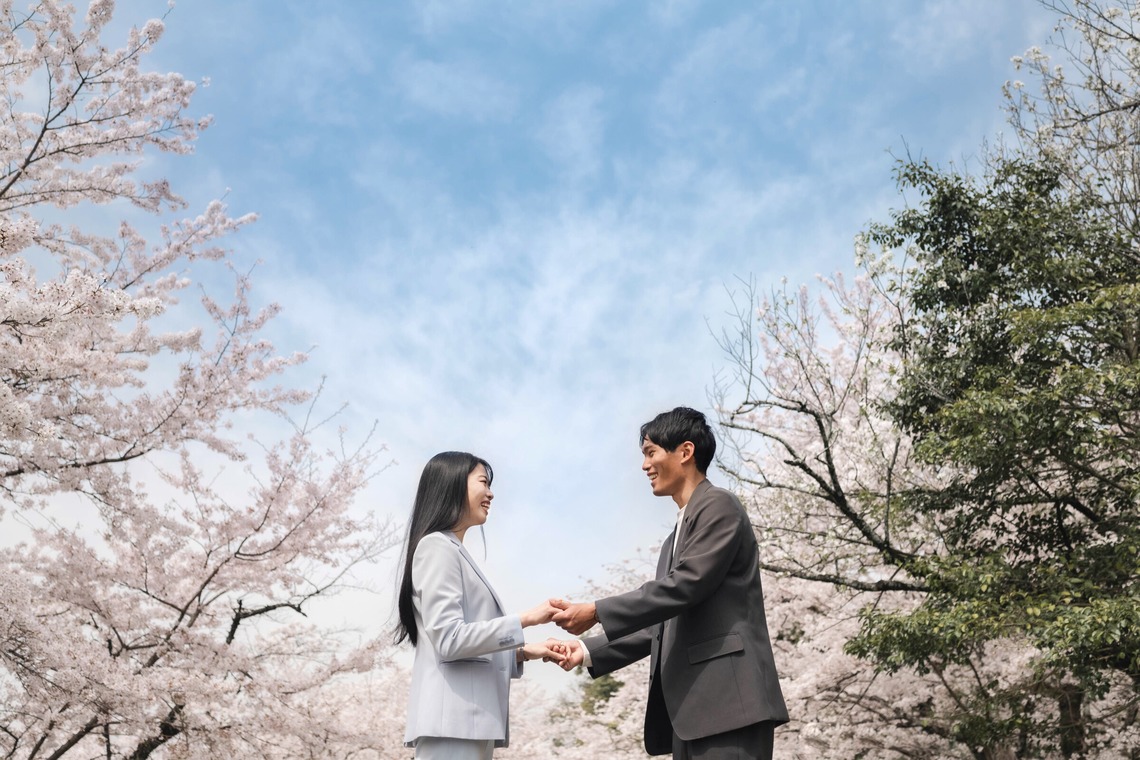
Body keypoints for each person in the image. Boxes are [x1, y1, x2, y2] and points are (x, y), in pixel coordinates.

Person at [551, 407, 789, 759]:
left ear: (685, 451)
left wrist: (598, 610)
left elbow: (686, 584)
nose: (644, 466)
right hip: (692, 713)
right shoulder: (672, 539)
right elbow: (664, 623)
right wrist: (588, 651)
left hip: (730, 705)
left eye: (651, 453)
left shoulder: (719, 505)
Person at [396, 451, 565, 759]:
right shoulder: (437, 547)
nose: (491, 493)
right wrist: (526, 619)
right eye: (483, 482)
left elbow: (461, 643)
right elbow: (449, 639)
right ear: (453, 484)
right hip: (452, 727)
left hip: (464, 726)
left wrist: (526, 652)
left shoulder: (451, 549)